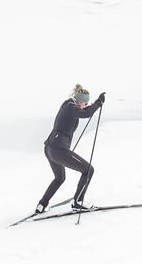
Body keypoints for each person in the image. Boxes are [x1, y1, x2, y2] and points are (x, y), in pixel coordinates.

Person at [38, 84, 105, 214]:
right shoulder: (71, 107)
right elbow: (85, 114)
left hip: (49, 148)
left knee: (59, 178)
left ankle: (42, 205)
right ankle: (78, 202)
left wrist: (94, 105)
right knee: (88, 170)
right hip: (59, 151)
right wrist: (98, 103)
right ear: (80, 101)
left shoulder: (68, 104)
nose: (86, 106)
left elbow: (83, 111)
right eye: (85, 103)